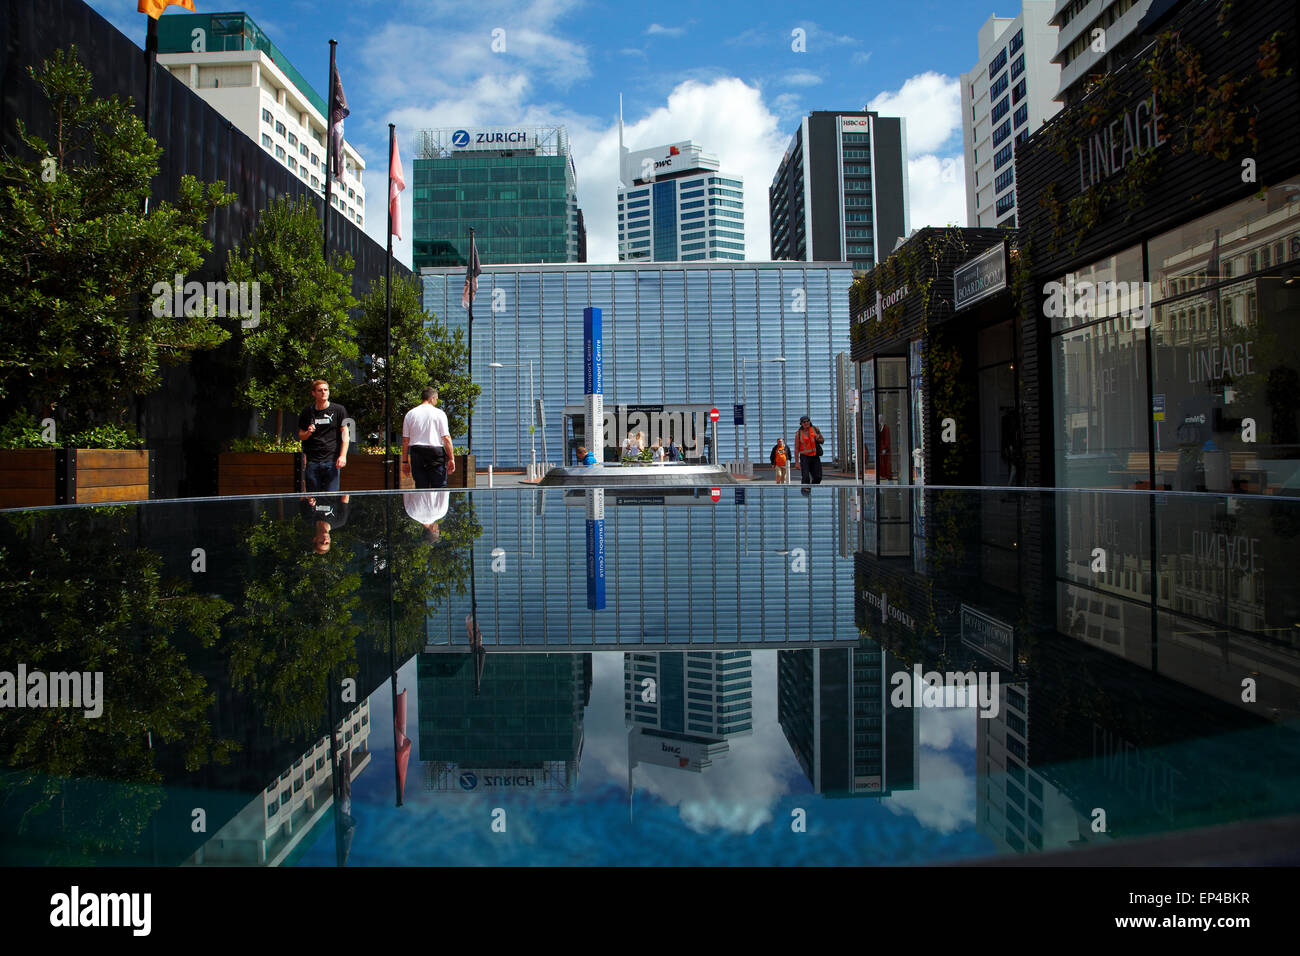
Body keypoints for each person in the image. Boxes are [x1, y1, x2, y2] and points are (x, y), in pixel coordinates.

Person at [297, 380, 348, 492]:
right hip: (312, 462)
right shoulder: (307, 411)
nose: (323, 392)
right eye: (320, 390)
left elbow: (345, 433)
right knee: (313, 500)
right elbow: (301, 435)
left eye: (326, 390)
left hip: (332, 461)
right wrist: (308, 432)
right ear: (314, 393)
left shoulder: (339, 410)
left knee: (331, 498)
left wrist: (343, 456)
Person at [402, 387, 455, 489]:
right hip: (435, 452)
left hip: (417, 452)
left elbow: (405, 440)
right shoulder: (439, 413)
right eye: (436, 399)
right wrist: (451, 458)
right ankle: (439, 505)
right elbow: (446, 438)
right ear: (432, 398)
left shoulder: (410, 414)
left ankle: (422, 505)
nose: (436, 401)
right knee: (439, 487)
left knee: (421, 487)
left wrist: (404, 461)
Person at [795, 415, 824, 485]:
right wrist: (797, 462)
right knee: (805, 477)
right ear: (801, 424)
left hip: (815, 456)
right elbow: (796, 448)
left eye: (807, 421)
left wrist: (818, 439)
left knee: (818, 476)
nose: (806, 423)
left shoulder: (815, 429)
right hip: (805, 457)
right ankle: (805, 491)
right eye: (804, 422)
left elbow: (822, 440)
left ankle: (813, 487)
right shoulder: (798, 433)